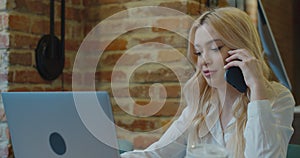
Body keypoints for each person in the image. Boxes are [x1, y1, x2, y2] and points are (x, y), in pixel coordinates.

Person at [121, 7, 295, 158]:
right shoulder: (200, 104)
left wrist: (256, 87)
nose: (203, 61)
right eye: (198, 52)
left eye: (215, 48)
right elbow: (157, 154)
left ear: (242, 50)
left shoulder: (277, 99)